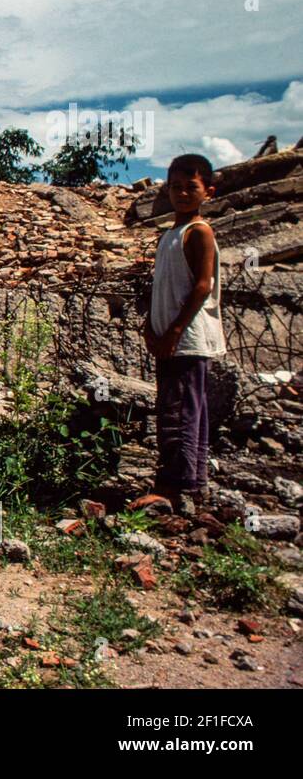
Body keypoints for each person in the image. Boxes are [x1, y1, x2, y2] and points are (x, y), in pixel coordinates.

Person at [141, 153, 226, 516]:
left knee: (180, 413)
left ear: (208, 190)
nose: (182, 194)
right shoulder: (170, 236)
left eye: (191, 187)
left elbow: (202, 286)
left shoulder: (199, 232)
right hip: (170, 338)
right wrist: (152, 325)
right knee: (180, 408)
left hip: (187, 340)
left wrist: (174, 330)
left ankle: (175, 488)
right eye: (176, 187)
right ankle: (194, 483)